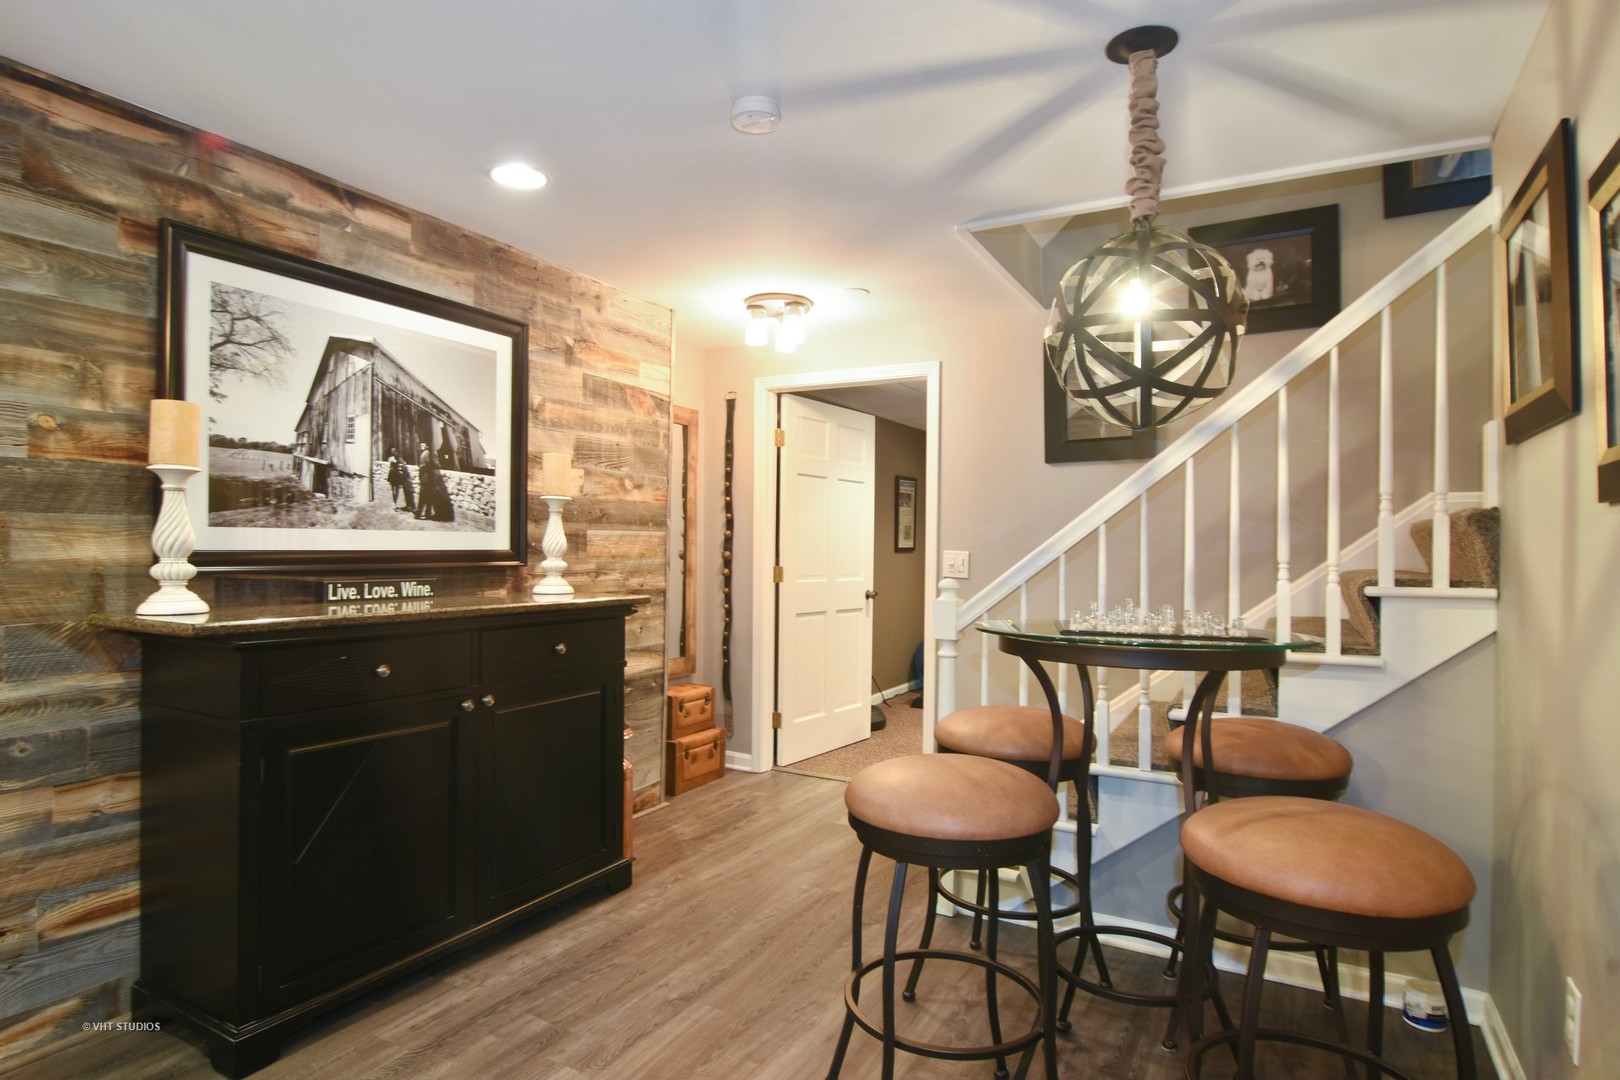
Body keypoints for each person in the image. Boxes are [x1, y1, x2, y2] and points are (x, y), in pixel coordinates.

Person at [386, 447, 415, 513]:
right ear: (391, 452)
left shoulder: (399, 458)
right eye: (393, 451)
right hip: (392, 475)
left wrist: (402, 465)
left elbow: (404, 463)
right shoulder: (390, 459)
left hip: (397, 476)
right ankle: (394, 503)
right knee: (393, 490)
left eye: (395, 451)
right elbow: (390, 467)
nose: (394, 452)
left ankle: (395, 503)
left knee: (397, 490)